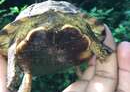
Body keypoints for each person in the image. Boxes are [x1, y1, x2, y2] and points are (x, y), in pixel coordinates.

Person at [0, 25, 130, 92]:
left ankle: (13, 78)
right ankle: (13, 78)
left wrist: (99, 48)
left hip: (60, 59)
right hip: (47, 61)